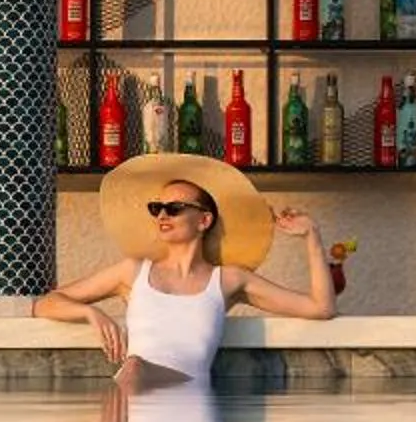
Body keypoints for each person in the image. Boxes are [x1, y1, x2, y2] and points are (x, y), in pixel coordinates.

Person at [32, 150, 335, 386]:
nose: (163, 214)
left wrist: (311, 236)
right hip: (141, 407)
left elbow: (320, 307)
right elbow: (45, 304)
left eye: (175, 208)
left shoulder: (228, 279)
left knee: (135, 367)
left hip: (190, 398)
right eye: (157, 208)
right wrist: (91, 313)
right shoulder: (133, 273)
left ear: (204, 220)